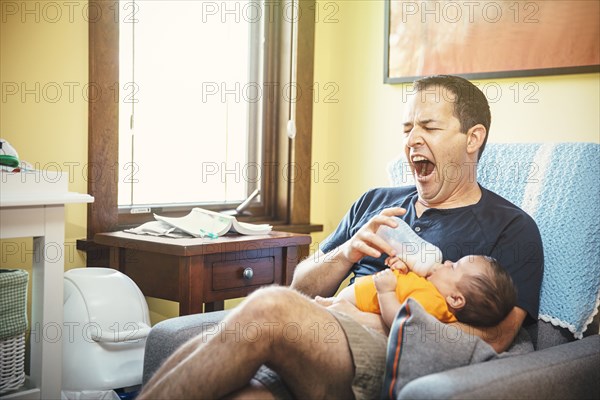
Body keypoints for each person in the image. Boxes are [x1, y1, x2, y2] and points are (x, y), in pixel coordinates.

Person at [137, 75, 543, 400]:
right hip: (320, 331)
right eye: (406, 128)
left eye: (429, 126)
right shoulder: (376, 201)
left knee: (269, 306)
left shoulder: (511, 227)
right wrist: (348, 251)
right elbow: (300, 285)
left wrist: (394, 320)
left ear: (473, 138)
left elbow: (500, 335)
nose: (411, 139)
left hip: (379, 348)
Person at [337, 255, 517, 331]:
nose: (447, 262)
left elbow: (400, 322)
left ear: (455, 299)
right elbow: (408, 288)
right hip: (350, 299)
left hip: (354, 306)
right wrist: (401, 269)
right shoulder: (432, 290)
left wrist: (386, 292)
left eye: (453, 267)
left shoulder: (433, 305)